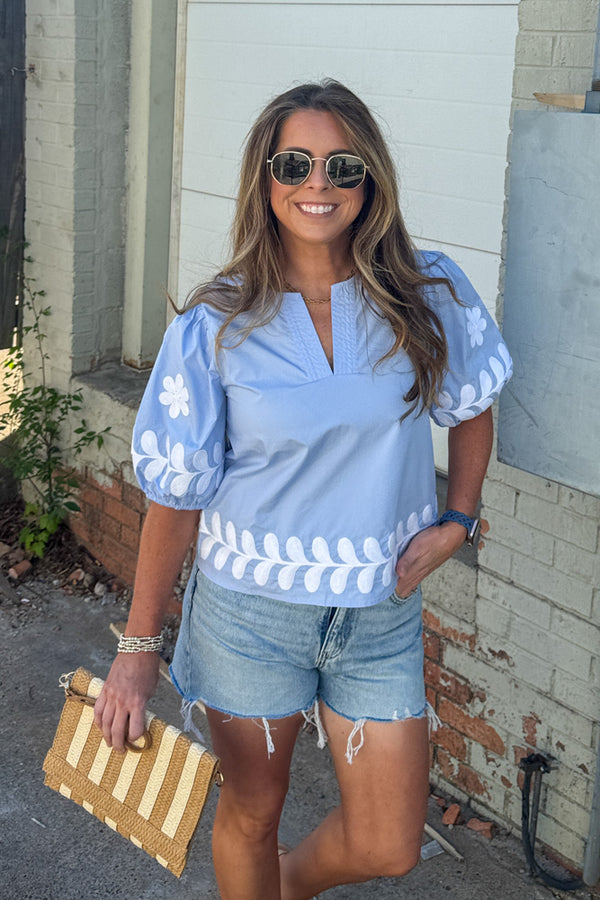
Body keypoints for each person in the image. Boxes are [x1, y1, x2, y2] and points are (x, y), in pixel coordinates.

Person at [94, 80, 512, 899]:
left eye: (341, 166)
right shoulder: (217, 323)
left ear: (370, 181)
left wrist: (460, 518)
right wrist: (137, 651)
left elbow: (473, 408)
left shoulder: (426, 294)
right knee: (252, 811)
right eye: (296, 163)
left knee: (390, 843)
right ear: (266, 177)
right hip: (249, 615)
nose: (317, 184)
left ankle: (282, 888)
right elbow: (175, 501)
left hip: (380, 613)